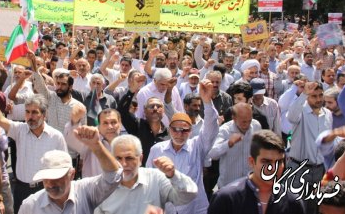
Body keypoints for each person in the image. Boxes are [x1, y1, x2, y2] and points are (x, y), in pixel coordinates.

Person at [0, 85, 67, 213]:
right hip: (22, 190)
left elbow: (64, 167)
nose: (30, 116)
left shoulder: (56, 136)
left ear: (44, 114)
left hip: (46, 190)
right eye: (27, 112)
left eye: (34, 112)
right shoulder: (19, 130)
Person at [146, 79, 219, 214]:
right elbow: (148, 181)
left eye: (184, 130)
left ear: (190, 132)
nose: (180, 134)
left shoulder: (197, 146)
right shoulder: (157, 149)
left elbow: (211, 127)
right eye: (175, 129)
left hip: (194, 208)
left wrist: (207, 101)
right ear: (169, 130)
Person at [19, 125, 123, 214]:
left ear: (72, 174)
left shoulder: (85, 191)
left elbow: (113, 176)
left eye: (56, 178)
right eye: (45, 178)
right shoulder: (30, 206)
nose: (50, 184)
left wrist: (96, 146)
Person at [94, 134, 198, 214]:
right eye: (118, 158)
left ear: (140, 159)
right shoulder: (101, 188)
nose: (124, 164)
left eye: (129, 158)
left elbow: (188, 196)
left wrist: (173, 175)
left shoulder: (156, 178)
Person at [207, 130, 305, 214]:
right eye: (266, 161)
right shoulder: (226, 199)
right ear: (252, 162)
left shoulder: (292, 202)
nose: (273, 168)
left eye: (279, 162)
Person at [286, 81, 332, 213]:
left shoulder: (327, 114)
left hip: (319, 171)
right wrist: (304, 94)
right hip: (298, 169)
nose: (318, 99)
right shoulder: (301, 112)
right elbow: (291, 116)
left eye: (320, 95)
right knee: (294, 208)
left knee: (315, 209)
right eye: (314, 96)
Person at [208, 103, 262, 188]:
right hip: (229, 186)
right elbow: (212, 154)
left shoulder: (256, 126)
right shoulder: (224, 131)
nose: (247, 124)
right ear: (234, 118)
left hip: (250, 184)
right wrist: (228, 144)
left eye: (249, 120)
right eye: (243, 121)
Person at [65, 108, 122, 177]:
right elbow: (72, 139)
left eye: (113, 122)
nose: (110, 127)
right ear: (99, 126)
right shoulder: (90, 139)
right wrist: (74, 122)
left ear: (120, 124)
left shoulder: (128, 143)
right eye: (105, 123)